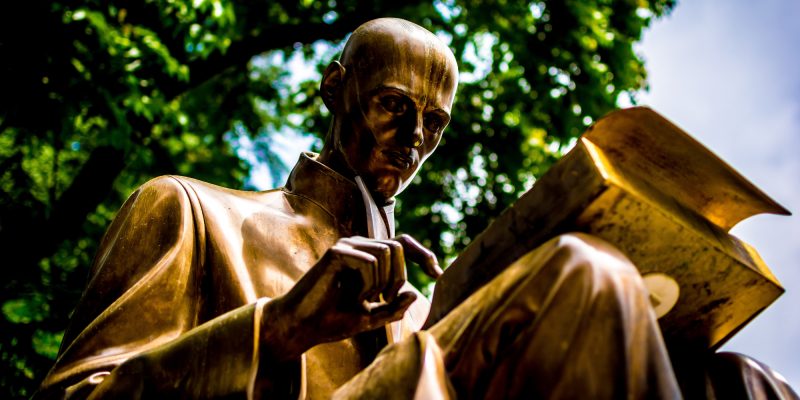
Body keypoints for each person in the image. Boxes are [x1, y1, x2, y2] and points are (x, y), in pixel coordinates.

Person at [36, 18, 797, 399]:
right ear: (333, 89)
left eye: (434, 124)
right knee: (582, 271)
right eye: (394, 107)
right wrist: (280, 328)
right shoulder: (190, 212)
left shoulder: (426, 303)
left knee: (737, 381)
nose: (413, 140)